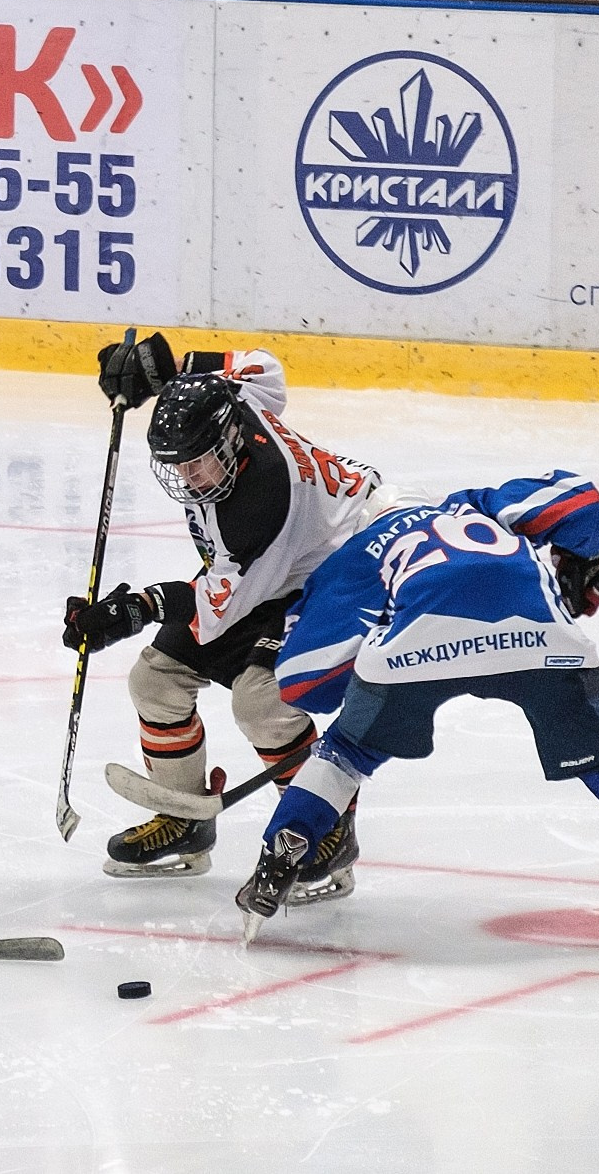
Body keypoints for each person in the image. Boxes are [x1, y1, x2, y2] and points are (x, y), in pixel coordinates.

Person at [237, 472, 599, 939]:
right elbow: (578, 503)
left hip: (418, 650)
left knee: (345, 754)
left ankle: (282, 855)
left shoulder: (358, 551)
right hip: (541, 640)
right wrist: (581, 557)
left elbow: (306, 682)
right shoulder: (472, 506)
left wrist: (359, 673)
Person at [61, 335, 389, 884]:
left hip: (345, 566)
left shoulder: (256, 509)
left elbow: (218, 608)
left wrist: (135, 609)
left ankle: (326, 828)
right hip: (289, 561)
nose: (188, 479)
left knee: (261, 700)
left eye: (198, 464)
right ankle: (185, 820)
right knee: (156, 679)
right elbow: (263, 367)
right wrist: (170, 370)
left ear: (232, 441)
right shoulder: (238, 403)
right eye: (177, 466)